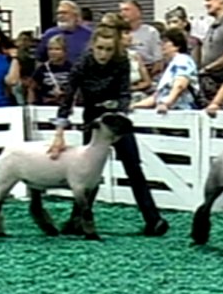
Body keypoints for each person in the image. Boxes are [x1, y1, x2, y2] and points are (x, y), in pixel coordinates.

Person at [50, 26, 167, 236]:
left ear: (115, 50)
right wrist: (59, 132)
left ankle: (153, 219)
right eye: (100, 48)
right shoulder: (82, 64)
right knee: (88, 174)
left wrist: (122, 115)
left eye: (109, 49)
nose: (103, 54)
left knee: (133, 167)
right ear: (92, 46)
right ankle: (78, 220)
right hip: (95, 120)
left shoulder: (121, 62)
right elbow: (68, 97)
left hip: (117, 120)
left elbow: (125, 93)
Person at [139, 27, 199, 112]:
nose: (162, 45)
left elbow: (180, 84)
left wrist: (167, 103)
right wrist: (133, 106)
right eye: (161, 42)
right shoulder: (171, 65)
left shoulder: (182, 60)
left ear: (177, 45)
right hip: (166, 111)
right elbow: (157, 96)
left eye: (166, 42)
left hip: (181, 111)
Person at [32, 34, 75, 105]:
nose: (53, 52)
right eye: (50, 49)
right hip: (47, 106)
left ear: (65, 51)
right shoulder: (42, 69)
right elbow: (32, 88)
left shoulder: (72, 68)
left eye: (57, 49)